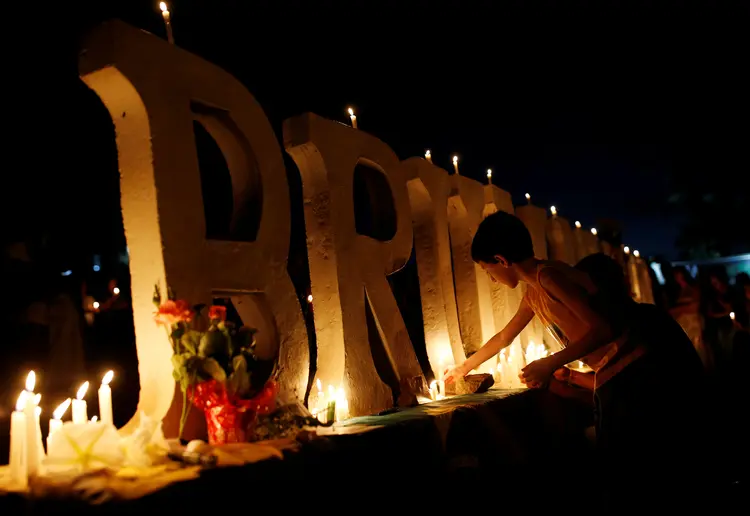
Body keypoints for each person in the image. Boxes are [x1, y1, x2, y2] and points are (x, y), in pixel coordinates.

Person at [443, 212, 702, 501]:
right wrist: (464, 367)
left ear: (501, 260)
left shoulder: (549, 277)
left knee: (640, 467)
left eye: (487, 270)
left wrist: (550, 363)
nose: (491, 278)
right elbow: (505, 337)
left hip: (633, 373)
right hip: (616, 374)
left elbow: (602, 328)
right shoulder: (534, 292)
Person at [669, 266, 711, 368]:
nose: (676, 277)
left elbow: (695, 307)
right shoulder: (675, 291)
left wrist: (678, 309)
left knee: (696, 345)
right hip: (682, 323)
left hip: (692, 322)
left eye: (678, 274)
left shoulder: (693, 288)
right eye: (675, 275)